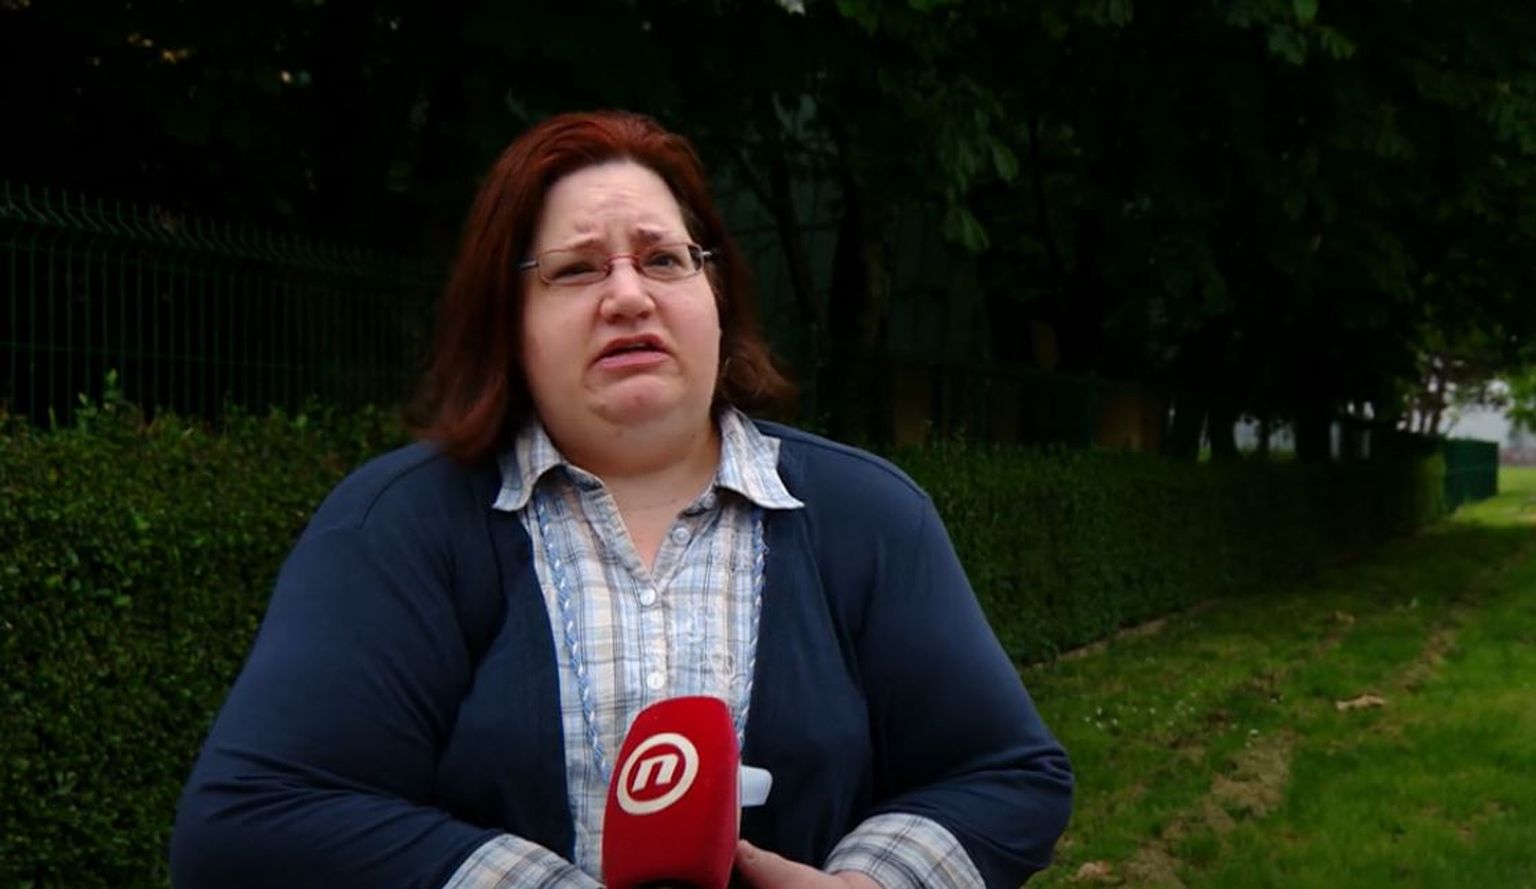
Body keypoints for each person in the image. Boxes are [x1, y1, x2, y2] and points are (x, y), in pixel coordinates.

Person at [171, 110, 1073, 889]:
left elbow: (1006, 772)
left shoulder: (868, 518)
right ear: (509, 324)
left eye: (664, 259)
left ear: (717, 297)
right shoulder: (397, 528)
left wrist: (872, 879)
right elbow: (252, 818)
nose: (628, 295)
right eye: (575, 270)